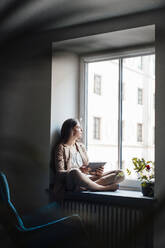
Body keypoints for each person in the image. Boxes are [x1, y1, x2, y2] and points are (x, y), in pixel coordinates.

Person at [52, 118, 125, 196]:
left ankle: (87, 187)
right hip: (72, 181)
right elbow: (59, 173)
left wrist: (96, 172)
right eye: (79, 127)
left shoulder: (81, 146)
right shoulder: (61, 147)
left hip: (87, 179)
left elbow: (87, 168)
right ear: (72, 130)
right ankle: (103, 188)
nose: (81, 130)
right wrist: (79, 170)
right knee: (75, 171)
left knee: (120, 173)